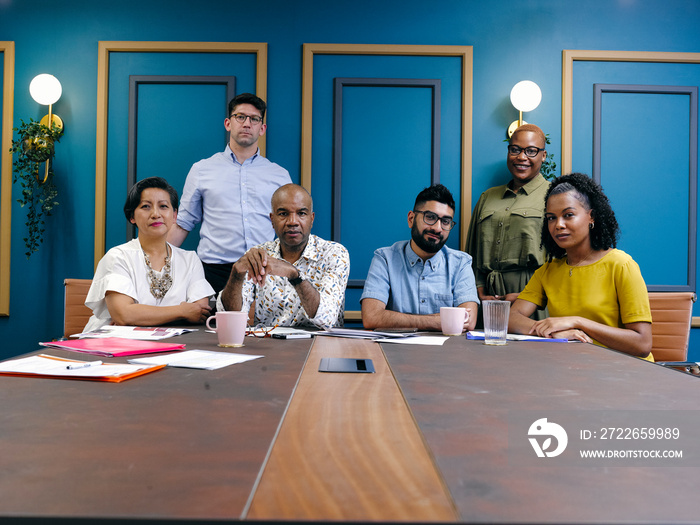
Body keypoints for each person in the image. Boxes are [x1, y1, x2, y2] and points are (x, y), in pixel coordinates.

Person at [508, 173, 653, 360]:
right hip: (574, 368)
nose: (558, 225)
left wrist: (577, 322)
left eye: (568, 215)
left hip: (624, 373)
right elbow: (512, 318)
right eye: (551, 218)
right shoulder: (548, 270)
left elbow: (642, 344)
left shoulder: (621, 265)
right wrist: (552, 333)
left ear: (591, 217)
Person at [168, 93, 292, 293]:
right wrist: (149, 263)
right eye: (240, 117)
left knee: (263, 325)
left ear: (262, 128)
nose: (246, 123)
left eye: (254, 119)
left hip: (265, 271)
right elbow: (183, 224)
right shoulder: (201, 170)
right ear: (228, 123)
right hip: (214, 273)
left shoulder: (279, 175)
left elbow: (291, 229)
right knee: (213, 324)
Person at [84, 177, 214, 332]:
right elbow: (124, 315)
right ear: (132, 216)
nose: (155, 214)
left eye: (163, 206)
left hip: (170, 343)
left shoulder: (190, 260)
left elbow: (199, 312)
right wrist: (182, 311)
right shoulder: (118, 257)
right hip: (112, 343)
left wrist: (138, 315)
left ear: (174, 216)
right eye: (146, 206)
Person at [217, 184, 349, 328]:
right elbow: (230, 316)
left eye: (301, 213)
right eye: (283, 214)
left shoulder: (334, 253)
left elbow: (326, 319)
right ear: (272, 220)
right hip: (268, 345)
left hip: (319, 346)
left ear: (312, 219)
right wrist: (236, 274)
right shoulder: (259, 254)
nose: (292, 221)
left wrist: (295, 275)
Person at [361, 184, 479, 332]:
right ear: (411, 219)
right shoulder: (385, 258)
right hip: (393, 352)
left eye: (445, 221)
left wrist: (405, 320)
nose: (437, 228)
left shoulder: (461, 263)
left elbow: (469, 321)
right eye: (430, 217)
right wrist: (437, 321)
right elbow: (371, 317)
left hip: (447, 353)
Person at [466, 124, 550, 320]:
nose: (522, 157)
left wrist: (530, 294)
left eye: (531, 151)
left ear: (543, 156)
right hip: (487, 298)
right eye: (515, 150)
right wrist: (478, 288)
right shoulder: (488, 197)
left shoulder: (554, 195)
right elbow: (471, 252)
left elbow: (563, 260)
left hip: (531, 296)